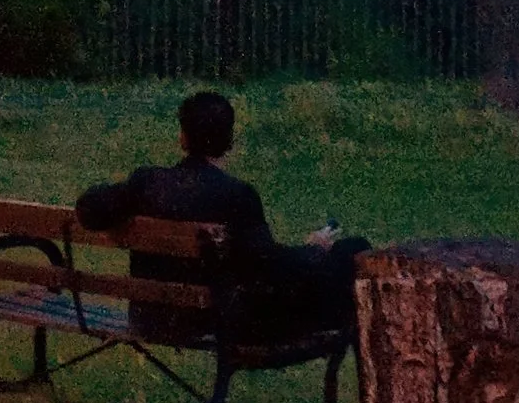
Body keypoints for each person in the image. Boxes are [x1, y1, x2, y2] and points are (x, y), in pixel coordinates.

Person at [76, 91, 369, 343]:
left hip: (151, 317)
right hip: (218, 321)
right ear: (229, 140)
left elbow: (89, 210)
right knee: (351, 251)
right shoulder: (236, 195)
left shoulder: (147, 182)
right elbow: (269, 266)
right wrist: (315, 249)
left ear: (183, 138)